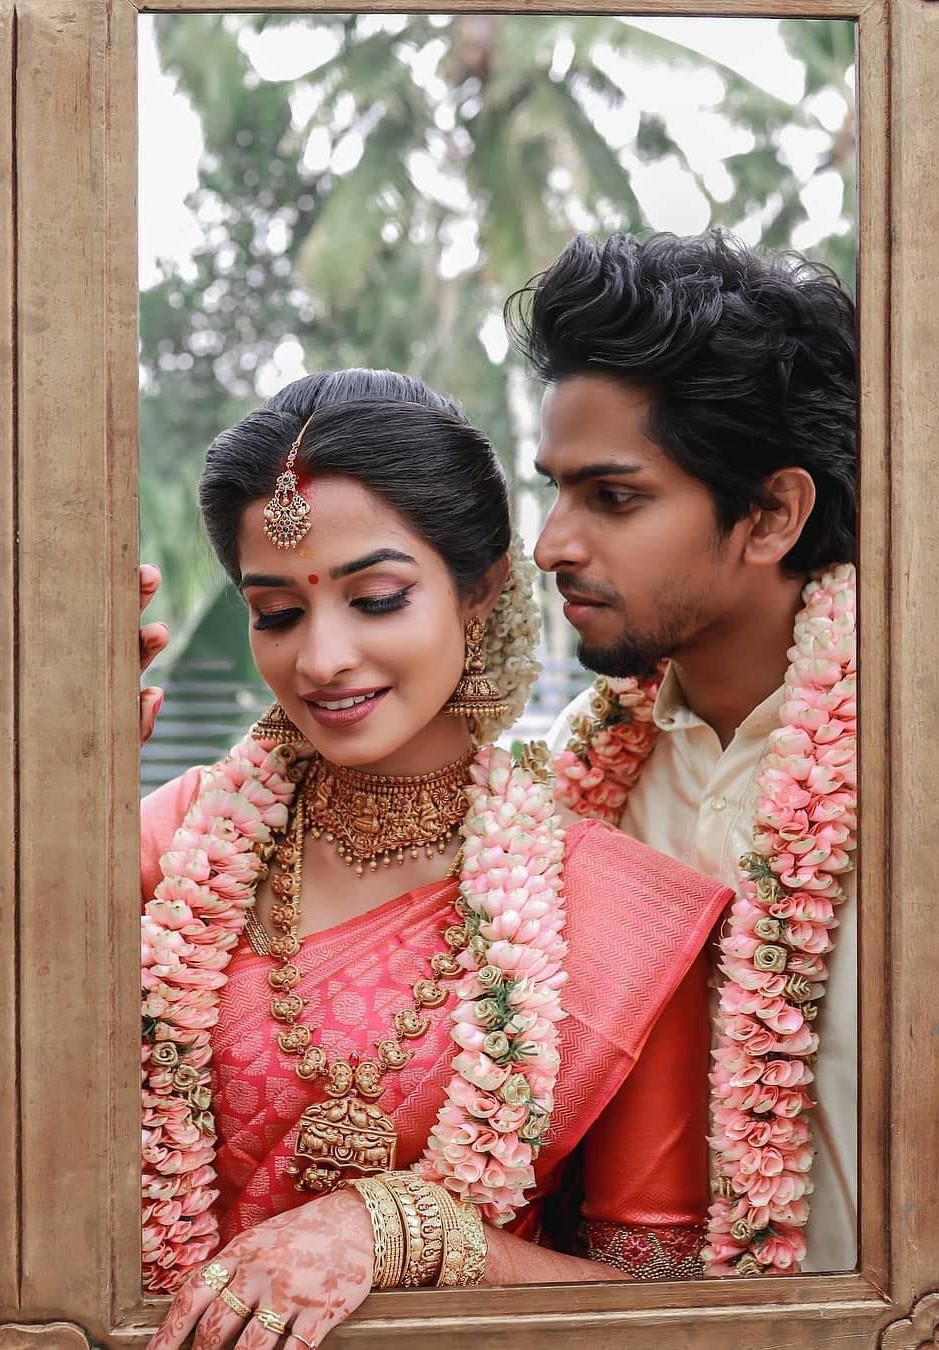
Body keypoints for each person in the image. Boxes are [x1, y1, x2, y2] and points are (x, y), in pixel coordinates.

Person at [143, 369, 734, 1350]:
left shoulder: (611, 904)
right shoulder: (190, 833)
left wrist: (403, 1227)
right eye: (278, 613)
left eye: (376, 599)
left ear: (481, 590)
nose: (322, 658)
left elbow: (661, 1307)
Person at [504, 230, 858, 1276]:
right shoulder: (569, 788)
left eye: (613, 498)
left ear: (772, 515)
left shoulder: (910, 771)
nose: (553, 545)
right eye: (556, 490)